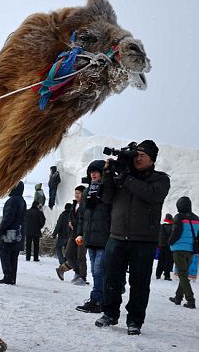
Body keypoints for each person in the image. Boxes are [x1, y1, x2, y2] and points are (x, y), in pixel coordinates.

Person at [95, 140, 171, 335]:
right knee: (111, 278)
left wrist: (126, 177)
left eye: (142, 156)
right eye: (135, 155)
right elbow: (106, 198)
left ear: (152, 159)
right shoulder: (123, 176)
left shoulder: (160, 179)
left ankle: (135, 320)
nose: (137, 158)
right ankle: (109, 313)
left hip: (144, 240)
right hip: (117, 236)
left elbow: (151, 195)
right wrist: (109, 176)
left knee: (139, 283)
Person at [75, 160, 111, 314]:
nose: (93, 174)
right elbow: (82, 216)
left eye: (96, 171)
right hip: (90, 239)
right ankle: (99, 300)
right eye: (91, 172)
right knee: (96, 270)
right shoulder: (87, 192)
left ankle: (97, 300)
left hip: (104, 238)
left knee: (98, 270)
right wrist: (80, 233)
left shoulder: (108, 190)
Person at [168, 196, 198, 309]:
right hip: (191, 250)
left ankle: (191, 300)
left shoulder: (179, 217)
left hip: (179, 249)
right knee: (184, 273)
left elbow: (176, 232)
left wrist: (170, 242)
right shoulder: (197, 218)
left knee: (182, 274)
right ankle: (178, 298)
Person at [0, 181, 26, 285]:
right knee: (14, 255)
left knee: (4, 252)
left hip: (9, 232)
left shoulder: (12, 200)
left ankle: (7, 276)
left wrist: (0, 230)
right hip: (19, 232)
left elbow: (8, 218)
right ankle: (12, 277)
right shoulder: (22, 200)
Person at [57, 185, 88, 284]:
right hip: (73, 233)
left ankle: (82, 276)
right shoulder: (74, 204)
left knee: (80, 256)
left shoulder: (86, 205)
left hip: (82, 234)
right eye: (76, 193)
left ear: (84, 194)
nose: (76, 195)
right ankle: (78, 272)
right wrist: (70, 222)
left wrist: (73, 223)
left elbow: (83, 220)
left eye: (79, 193)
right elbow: (71, 217)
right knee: (68, 254)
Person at [156, 213, 174, 281]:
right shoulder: (173, 227)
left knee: (161, 260)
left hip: (161, 246)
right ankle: (167, 275)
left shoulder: (161, 226)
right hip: (169, 246)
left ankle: (158, 274)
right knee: (168, 260)